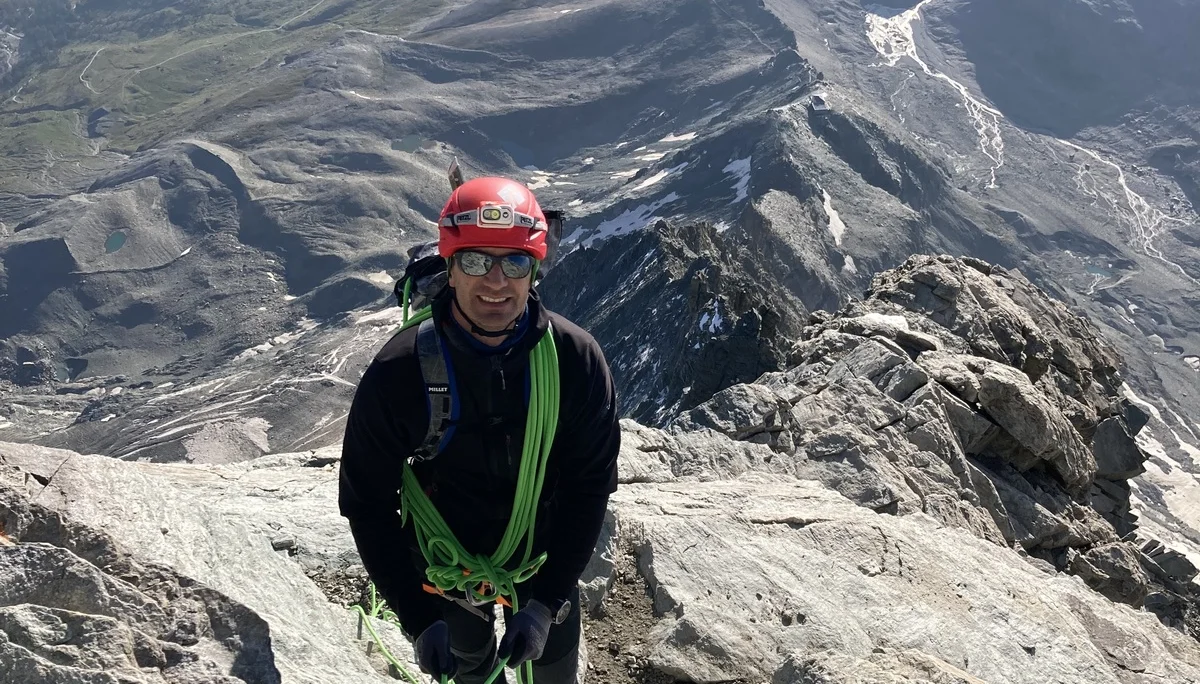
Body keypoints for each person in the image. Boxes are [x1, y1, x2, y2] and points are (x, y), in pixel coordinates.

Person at [338, 175, 620, 683]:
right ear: (450, 267)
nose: (496, 280)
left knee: (553, 668)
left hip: (542, 560)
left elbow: (589, 485)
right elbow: (367, 501)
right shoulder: (399, 372)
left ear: (534, 269)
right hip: (443, 570)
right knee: (469, 668)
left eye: (514, 261)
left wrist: (546, 601)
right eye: (475, 260)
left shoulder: (576, 361)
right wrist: (418, 617)